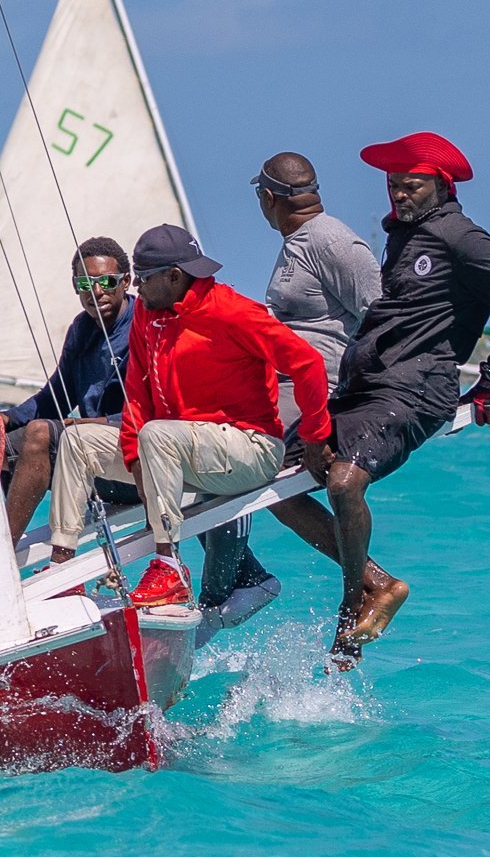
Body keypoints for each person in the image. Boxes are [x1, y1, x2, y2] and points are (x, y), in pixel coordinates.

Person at [282, 131, 490, 667]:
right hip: (368, 387)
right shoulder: (404, 236)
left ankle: (351, 600)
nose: (399, 195)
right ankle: (374, 582)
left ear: (440, 185)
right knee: (274, 482)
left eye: (410, 186)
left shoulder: (461, 237)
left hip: (417, 389)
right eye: (392, 185)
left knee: (343, 480)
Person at [47, 225, 332, 608]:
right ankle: (62, 568)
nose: (138, 290)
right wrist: (134, 460)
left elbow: (307, 364)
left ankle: (169, 568)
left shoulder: (233, 312)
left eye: (144, 280)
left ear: (175, 277)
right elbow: (137, 396)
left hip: (249, 449)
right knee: (77, 440)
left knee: (158, 435)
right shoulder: (149, 317)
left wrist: (316, 435)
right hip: (178, 449)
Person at [185, 151, 386, 645]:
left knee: (240, 462)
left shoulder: (331, 240)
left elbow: (380, 317)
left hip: (315, 383)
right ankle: (242, 579)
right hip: (280, 382)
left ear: (268, 198)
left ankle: (235, 590)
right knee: (227, 464)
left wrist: (364, 397)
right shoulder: (298, 242)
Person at [0, 236, 136, 544]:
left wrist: (70, 426)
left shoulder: (143, 327)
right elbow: (54, 398)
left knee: (40, 434)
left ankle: (1, 551)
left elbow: (140, 419)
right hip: (90, 464)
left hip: (133, 471)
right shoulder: (81, 329)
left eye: (106, 282)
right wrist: (4, 419)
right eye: (85, 285)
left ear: (126, 281)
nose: (96, 293)